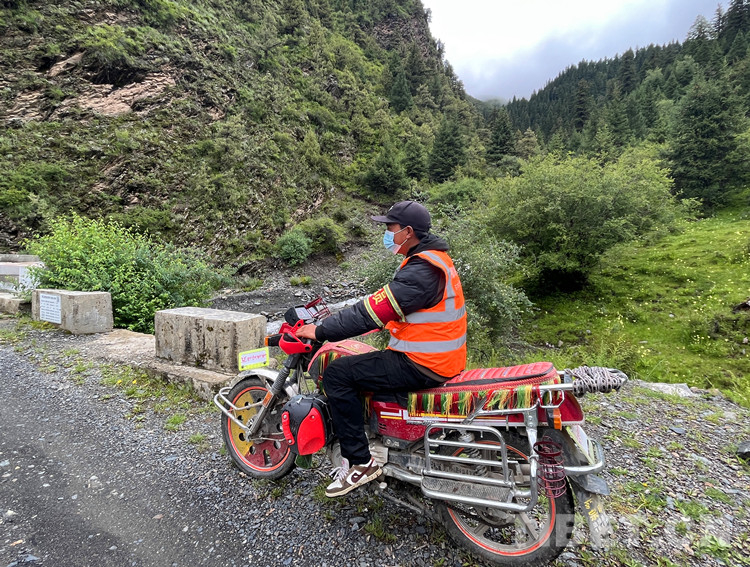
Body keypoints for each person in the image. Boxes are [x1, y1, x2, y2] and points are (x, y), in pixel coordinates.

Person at [296, 201, 467, 497]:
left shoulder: (422, 269)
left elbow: (371, 312)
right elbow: (385, 305)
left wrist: (321, 331)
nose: (386, 234)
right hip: (438, 358)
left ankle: (360, 463)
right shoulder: (433, 259)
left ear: (408, 232)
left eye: (390, 228)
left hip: (421, 362)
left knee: (337, 374)